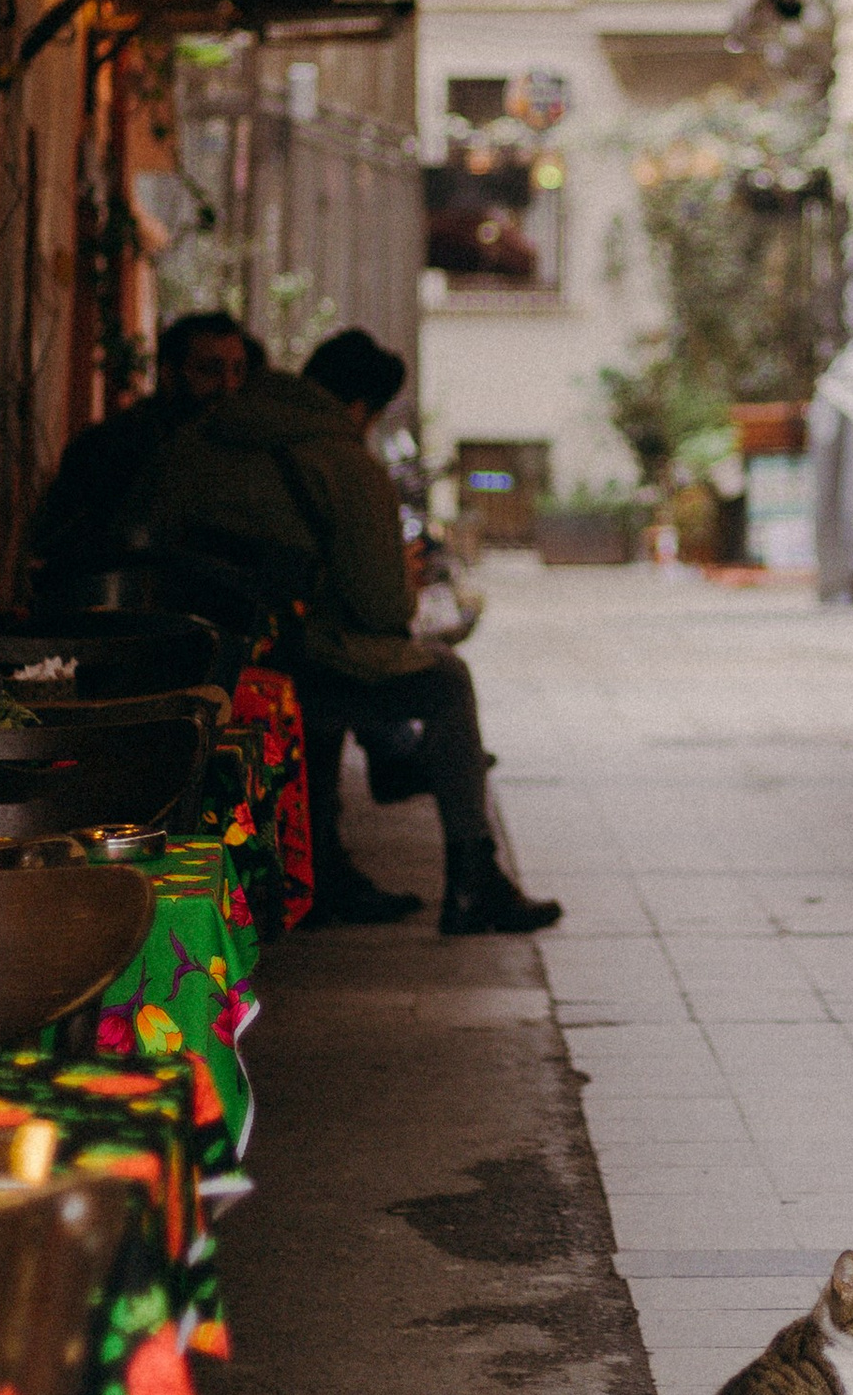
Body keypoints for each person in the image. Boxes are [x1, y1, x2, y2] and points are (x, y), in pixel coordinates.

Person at [148, 326, 560, 939]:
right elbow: (382, 609)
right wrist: (405, 577)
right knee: (444, 679)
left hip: (194, 655)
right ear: (362, 408)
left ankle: (326, 864)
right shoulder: (345, 463)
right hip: (289, 666)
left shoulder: (198, 440)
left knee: (332, 661)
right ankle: (473, 879)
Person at [27, 308, 252, 611]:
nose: (228, 385)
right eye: (210, 370)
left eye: (238, 370)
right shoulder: (112, 446)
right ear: (170, 374)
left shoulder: (243, 452)